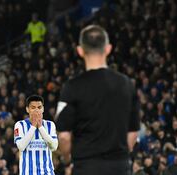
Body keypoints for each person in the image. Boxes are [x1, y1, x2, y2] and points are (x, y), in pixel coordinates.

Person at [55, 25, 140, 175]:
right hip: (119, 167)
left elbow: (63, 136)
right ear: (108, 48)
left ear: (80, 50)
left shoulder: (72, 87)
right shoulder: (127, 84)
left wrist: (67, 161)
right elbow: (133, 133)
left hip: (86, 167)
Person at [14, 95, 58, 175]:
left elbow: (54, 147)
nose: (36, 110)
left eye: (39, 107)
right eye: (33, 107)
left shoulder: (50, 125)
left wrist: (40, 127)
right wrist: (33, 126)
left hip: (47, 172)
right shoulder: (20, 125)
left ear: (43, 109)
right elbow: (21, 146)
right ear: (27, 109)